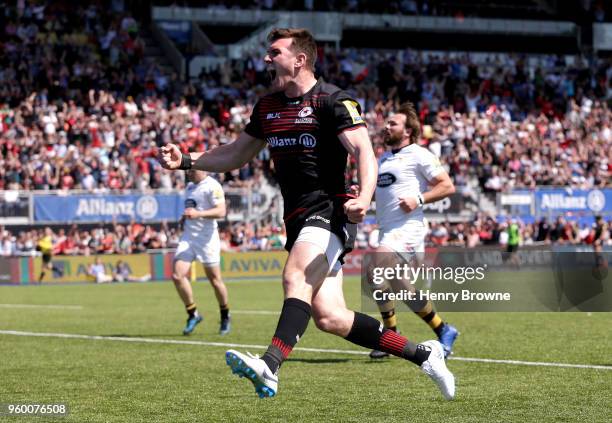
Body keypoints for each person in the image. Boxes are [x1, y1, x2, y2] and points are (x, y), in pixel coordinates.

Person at [160, 28, 454, 400]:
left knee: (294, 275)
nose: (266, 59)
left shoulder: (332, 101)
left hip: (330, 210)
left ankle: (269, 366)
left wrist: (363, 197)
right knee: (330, 317)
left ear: (299, 59)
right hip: (297, 218)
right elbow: (236, 153)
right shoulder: (267, 107)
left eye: (274, 52)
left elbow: (363, 150)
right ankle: (424, 354)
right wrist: (188, 160)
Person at [367, 102, 459, 359]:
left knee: (375, 269)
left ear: (407, 131)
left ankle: (390, 337)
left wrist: (418, 199)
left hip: (408, 228)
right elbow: (383, 194)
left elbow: (447, 186)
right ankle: (444, 329)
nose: (386, 126)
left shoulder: (420, 154)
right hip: (387, 229)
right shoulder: (383, 159)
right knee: (401, 289)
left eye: (392, 124)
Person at [173, 169, 231, 336]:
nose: (188, 173)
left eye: (191, 169)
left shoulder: (213, 186)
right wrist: (184, 218)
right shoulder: (190, 187)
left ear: (202, 169)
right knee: (177, 275)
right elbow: (192, 208)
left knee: (215, 280)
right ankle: (193, 314)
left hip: (207, 239)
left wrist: (198, 214)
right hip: (188, 238)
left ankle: (225, 315)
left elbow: (221, 211)